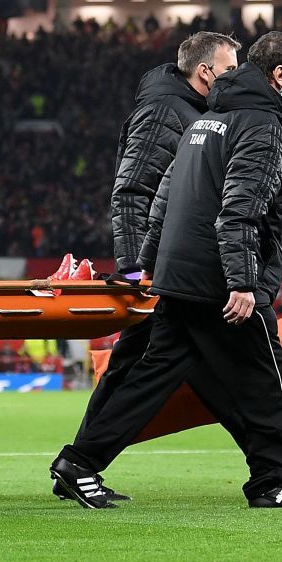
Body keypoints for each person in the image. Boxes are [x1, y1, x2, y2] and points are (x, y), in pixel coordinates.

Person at [51, 31, 282, 510]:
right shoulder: (260, 126)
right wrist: (243, 282)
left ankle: (78, 462)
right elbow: (239, 210)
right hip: (217, 278)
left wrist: (152, 264)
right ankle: (272, 480)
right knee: (266, 377)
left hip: (178, 274)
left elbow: (166, 199)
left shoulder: (208, 121)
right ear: (279, 74)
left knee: (151, 376)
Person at [64, 31, 238, 505]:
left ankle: (79, 464)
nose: (236, 76)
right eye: (230, 67)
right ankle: (79, 462)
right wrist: (136, 268)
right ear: (205, 72)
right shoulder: (167, 112)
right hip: (161, 272)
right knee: (154, 368)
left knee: (132, 368)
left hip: (169, 267)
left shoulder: (190, 112)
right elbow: (131, 190)